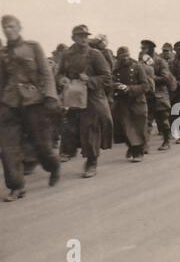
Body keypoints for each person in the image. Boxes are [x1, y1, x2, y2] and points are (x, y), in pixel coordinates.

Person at [0, 15, 61, 202]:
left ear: (19, 27)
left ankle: (53, 166)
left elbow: (46, 73)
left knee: (41, 145)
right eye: (5, 27)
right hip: (9, 104)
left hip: (33, 102)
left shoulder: (33, 47)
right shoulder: (2, 53)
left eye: (11, 26)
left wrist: (51, 96)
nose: (8, 30)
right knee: (8, 148)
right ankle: (17, 186)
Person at [57, 25, 113, 178]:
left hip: (92, 97)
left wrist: (90, 80)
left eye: (85, 36)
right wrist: (61, 79)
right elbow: (59, 73)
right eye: (79, 36)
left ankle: (91, 162)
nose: (83, 38)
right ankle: (68, 150)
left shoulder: (95, 55)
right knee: (70, 126)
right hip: (72, 95)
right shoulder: (66, 55)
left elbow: (107, 77)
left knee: (90, 129)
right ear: (73, 38)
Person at [112, 47, 151, 162]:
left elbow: (145, 86)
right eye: (122, 56)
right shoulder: (116, 70)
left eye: (126, 55)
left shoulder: (137, 67)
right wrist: (116, 86)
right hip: (123, 102)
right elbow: (111, 82)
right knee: (126, 128)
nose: (125, 58)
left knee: (138, 128)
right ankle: (133, 148)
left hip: (137, 102)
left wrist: (129, 88)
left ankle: (138, 152)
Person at [140, 39, 176, 151]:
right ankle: (144, 145)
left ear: (151, 49)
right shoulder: (142, 61)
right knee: (147, 121)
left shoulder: (160, 62)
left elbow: (166, 78)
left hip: (160, 95)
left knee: (163, 121)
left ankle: (166, 141)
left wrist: (152, 79)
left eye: (144, 48)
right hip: (148, 95)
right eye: (142, 48)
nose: (142, 50)